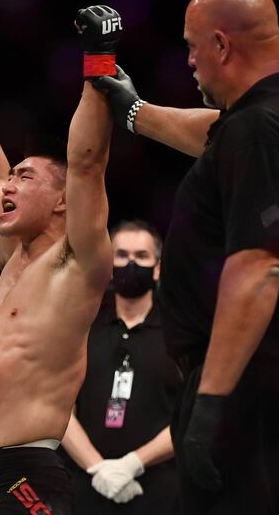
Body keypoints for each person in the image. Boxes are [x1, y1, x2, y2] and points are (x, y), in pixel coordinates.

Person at [93, 0, 279, 515]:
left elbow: (259, 270)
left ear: (222, 46)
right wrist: (136, 112)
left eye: (191, 45)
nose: (187, 61)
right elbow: (214, 135)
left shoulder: (262, 132)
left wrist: (211, 401)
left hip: (245, 392)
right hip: (266, 389)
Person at [0, 5, 123, 515]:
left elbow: (86, 162)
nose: (9, 185)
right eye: (12, 176)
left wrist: (98, 61)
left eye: (26, 177)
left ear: (62, 201)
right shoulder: (14, 258)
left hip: (25, 475)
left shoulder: (78, 262)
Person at [62, 220, 181, 514]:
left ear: (158, 268)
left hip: (159, 491)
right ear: (108, 263)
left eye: (141, 256)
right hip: (88, 487)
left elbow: (192, 416)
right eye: (122, 255)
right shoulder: (83, 331)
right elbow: (59, 407)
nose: (130, 263)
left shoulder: (181, 336)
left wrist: (133, 464)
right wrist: (98, 468)